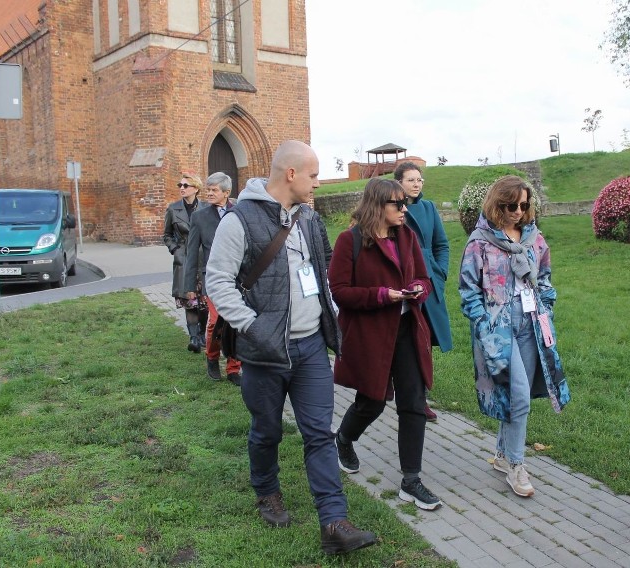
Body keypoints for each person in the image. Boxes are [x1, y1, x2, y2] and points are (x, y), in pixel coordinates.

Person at [205, 141, 376, 555]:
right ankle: (267, 491)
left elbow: (322, 269)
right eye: (314, 175)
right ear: (291, 175)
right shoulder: (239, 220)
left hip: (311, 348)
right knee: (267, 431)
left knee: (320, 434)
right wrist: (253, 328)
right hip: (264, 352)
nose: (319, 182)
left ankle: (333, 522)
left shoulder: (310, 219)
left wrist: (331, 316)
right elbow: (217, 281)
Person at [329, 178, 443, 511]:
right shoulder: (350, 241)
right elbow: (339, 291)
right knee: (372, 402)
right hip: (370, 336)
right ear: (378, 205)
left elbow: (424, 277)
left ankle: (411, 480)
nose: (405, 209)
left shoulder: (406, 236)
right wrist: (382, 295)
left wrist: (419, 289)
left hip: (407, 329)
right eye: (398, 204)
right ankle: (344, 439)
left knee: (413, 403)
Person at [458, 175, 570, 498]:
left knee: (513, 392)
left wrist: (546, 306)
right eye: (511, 205)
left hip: (531, 324)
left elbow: (545, 276)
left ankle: (503, 453)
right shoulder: (479, 242)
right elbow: (468, 292)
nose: (519, 211)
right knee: (518, 393)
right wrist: (484, 326)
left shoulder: (534, 239)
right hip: (499, 331)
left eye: (524, 205)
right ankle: (517, 466)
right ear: (497, 204)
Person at [394, 162, 452, 422]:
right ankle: (411, 396)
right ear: (399, 183)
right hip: (404, 282)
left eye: (419, 180)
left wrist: (440, 272)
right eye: (411, 180)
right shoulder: (393, 209)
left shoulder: (428, 208)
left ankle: (420, 398)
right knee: (408, 341)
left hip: (428, 281)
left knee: (425, 340)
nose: (417, 184)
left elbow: (442, 244)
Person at [183, 172, 242, 385]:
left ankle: (234, 368)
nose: (209, 193)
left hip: (237, 278)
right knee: (216, 321)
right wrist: (189, 285)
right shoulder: (199, 217)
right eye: (208, 189)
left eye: (214, 190)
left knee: (235, 321)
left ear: (226, 193)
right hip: (213, 279)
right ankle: (212, 358)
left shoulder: (240, 212)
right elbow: (192, 252)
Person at [163, 172, 208, 352]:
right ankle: (193, 338)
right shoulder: (173, 209)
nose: (181, 188)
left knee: (203, 301)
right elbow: (166, 235)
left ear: (196, 189)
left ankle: (203, 334)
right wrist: (175, 250)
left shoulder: (206, 208)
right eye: (179, 185)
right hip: (184, 259)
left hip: (203, 258)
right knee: (189, 300)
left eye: (185, 185)